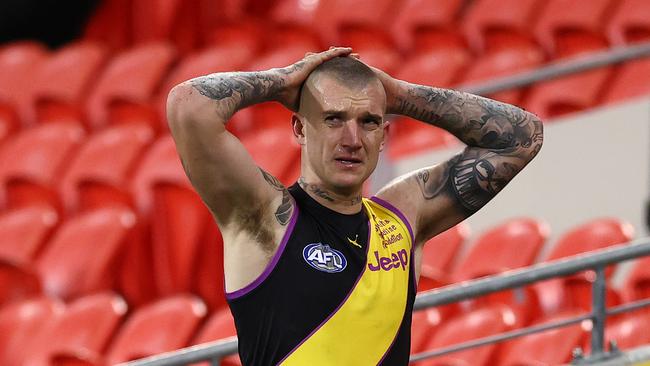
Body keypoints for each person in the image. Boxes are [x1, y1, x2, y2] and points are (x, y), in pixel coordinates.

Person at [166, 47, 544, 365]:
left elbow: (523, 136)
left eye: (368, 122)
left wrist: (396, 94)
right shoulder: (264, 216)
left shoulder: (403, 215)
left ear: (384, 136)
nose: (352, 139)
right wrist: (283, 80)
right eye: (333, 119)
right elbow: (189, 106)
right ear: (299, 128)